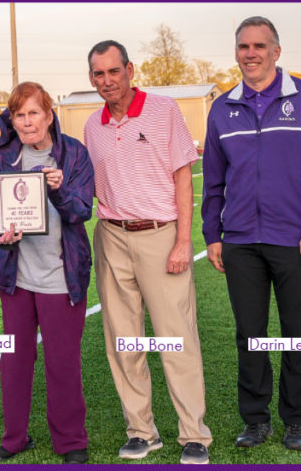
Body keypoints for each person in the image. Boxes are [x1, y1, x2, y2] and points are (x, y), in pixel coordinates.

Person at [201, 16, 301, 451]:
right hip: (241, 241)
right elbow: (213, 181)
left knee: (296, 330)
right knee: (251, 333)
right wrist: (212, 234)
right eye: (243, 46)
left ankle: (297, 420)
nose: (251, 53)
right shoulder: (222, 108)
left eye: (260, 46)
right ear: (237, 52)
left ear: (276, 52)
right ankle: (256, 420)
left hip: (292, 238)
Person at [84, 40, 213, 465]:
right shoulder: (92, 126)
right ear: (92, 79)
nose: (107, 81)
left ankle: (194, 434)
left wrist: (182, 240)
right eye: (98, 74)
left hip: (160, 236)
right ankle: (141, 431)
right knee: (124, 341)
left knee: (175, 339)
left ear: (130, 70)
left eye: (113, 71)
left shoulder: (163, 111)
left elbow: (182, 179)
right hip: (111, 237)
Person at [0, 82, 94, 465]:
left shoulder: (74, 154)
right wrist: (4, 235)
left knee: (62, 361)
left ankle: (70, 441)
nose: (27, 122)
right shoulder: (4, 158)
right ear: (11, 121)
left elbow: (81, 212)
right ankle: (14, 437)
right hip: (17, 276)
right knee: (14, 359)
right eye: (19, 115)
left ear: (49, 115)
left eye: (34, 113)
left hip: (61, 274)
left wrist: (59, 190)